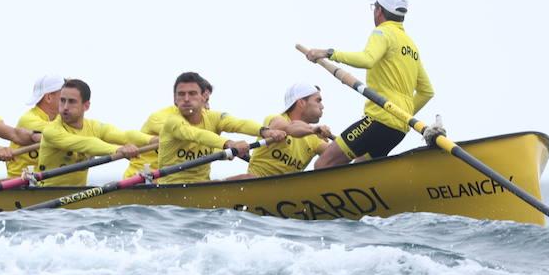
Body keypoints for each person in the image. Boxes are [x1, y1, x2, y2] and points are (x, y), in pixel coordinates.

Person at [305, 0, 434, 168]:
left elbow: (367, 59)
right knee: (359, 169)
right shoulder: (411, 46)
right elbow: (427, 91)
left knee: (323, 164)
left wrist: (328, 53)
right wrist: (403, 114)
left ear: (379, 11)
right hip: (399, 128)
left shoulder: (382, 33)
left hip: (379, 119)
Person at [150, 72, 286, 184]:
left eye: (192, 94)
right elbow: (196, 135)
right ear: (175, 99)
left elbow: (238, 124)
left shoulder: (214, 118)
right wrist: (230, 144)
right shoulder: (172, 121)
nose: (186, 99)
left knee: (250, 179)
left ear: (204, 97)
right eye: (181, 94)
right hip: (171, 189)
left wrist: (266, 131)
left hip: (202, 184)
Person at [38, 79, 153, 187]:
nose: (65, 107)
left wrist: (152, 140)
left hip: (76, 200)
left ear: (86, 105)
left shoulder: (94, 127)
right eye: (62, 101)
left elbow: (125, 136)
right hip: (45, 196)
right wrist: (118, 150)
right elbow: (87, 144)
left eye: (71, 101)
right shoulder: (51, 131)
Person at [227, 82, 334, 180]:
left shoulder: (315, 139)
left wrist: (348, 143)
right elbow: (290, 127)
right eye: (318, 100)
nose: (322, 106)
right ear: (301, 102)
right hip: (255, 182)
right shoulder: (276, 120)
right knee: (246, 178)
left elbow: (338, 153)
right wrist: (313, 129)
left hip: (287, 192)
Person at [3, 74, 63, 181]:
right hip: (20, 182)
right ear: (49, 97)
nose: (68, 99)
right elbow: (63, 134)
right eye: (63, 95)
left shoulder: (59, 119)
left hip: (43, 180)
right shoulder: (28, 120)